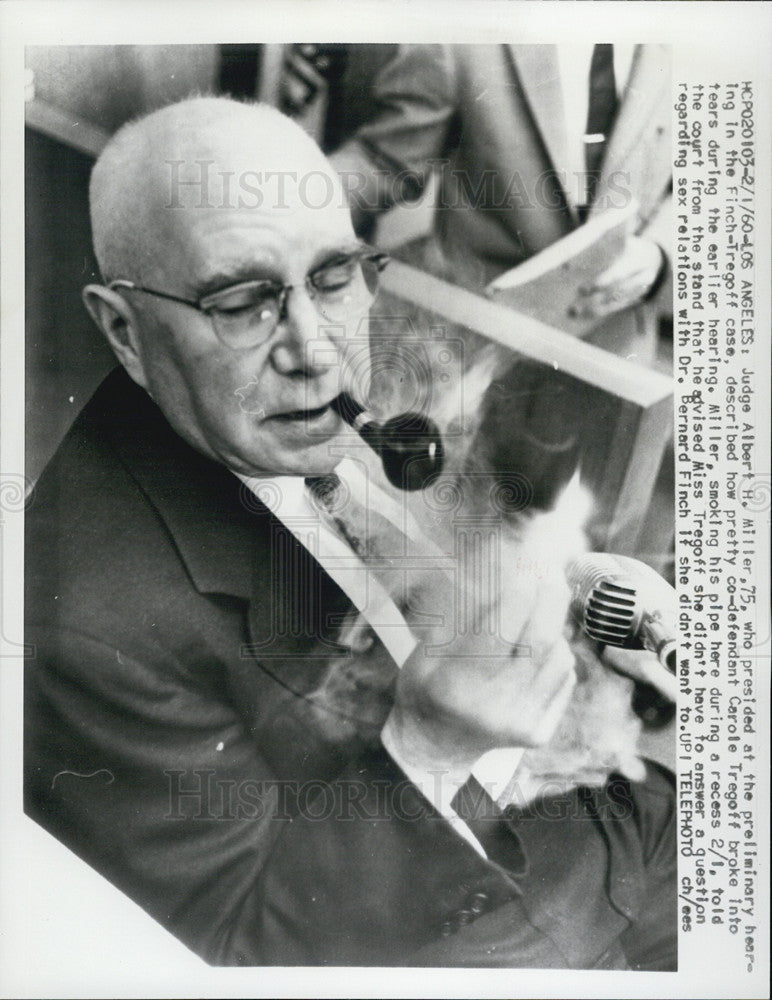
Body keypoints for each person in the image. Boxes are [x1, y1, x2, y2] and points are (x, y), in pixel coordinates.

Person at [24, 96, 676, 968]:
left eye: (333, 277)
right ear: (123, 329)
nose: (317, 351)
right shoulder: (87, 627)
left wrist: (560, 601)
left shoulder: (313, 400)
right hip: (460, 920)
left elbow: (417, 553)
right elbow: (244, 958)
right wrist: (429, 750)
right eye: (244, 303)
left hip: (596, 808)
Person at [330, 43, 672, 359]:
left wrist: (660, 255)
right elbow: (381, 163)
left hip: (620, 357)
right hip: (477, 350)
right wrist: (285, 203)